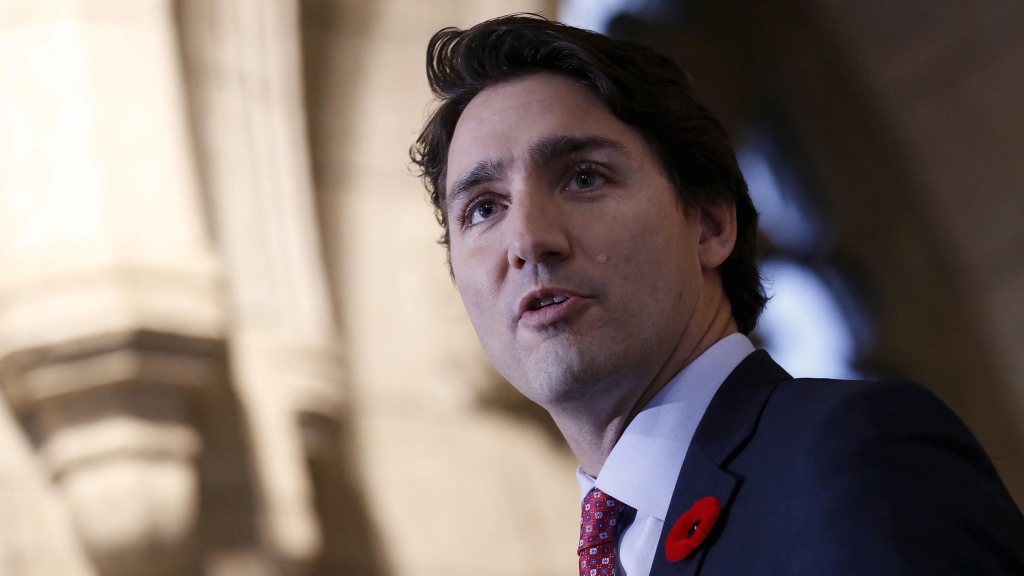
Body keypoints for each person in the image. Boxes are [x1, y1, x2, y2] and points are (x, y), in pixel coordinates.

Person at [410, 14, 1024, 576]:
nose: (528, 241)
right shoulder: (623, 545)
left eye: (584, 177)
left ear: (708, 224)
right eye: (484, 208)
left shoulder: (856, 452)